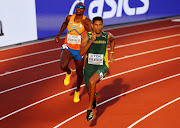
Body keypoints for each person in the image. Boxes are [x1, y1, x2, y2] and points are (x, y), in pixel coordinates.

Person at [79, 16, 115, 121]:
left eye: (100, 25)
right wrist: (91, 41)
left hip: (102, 66)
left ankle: (89, 109)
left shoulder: (107, 36)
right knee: (90, 89)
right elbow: (81, 53)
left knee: (92, 81)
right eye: (96, 25)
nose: (98, 27)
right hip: (89, 67)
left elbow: (113, 40)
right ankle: (93, 97)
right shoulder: (87, 36)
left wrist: (111, 54)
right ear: (92, 26)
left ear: (102, 25)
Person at [55, 2, 92, 103]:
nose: (79, 9)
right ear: (75, 9)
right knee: (63, 65)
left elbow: (91, 33)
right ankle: (68, 72)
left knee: (80, 73)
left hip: (79, 50)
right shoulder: (69, 18)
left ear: (84, 10)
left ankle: (77, 91)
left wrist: (86, 26)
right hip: (68, 47)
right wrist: (59, 35)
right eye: (77, 7)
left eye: (81, 8)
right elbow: (64, 24)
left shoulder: (86, 20)